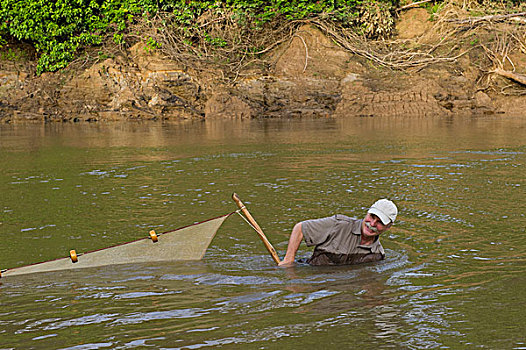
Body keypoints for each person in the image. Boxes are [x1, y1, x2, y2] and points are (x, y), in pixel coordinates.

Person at [278, 199, 398, 266]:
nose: (372, 224)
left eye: (380, 222)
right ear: (367, 212)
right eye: (372, 217)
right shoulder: (338, 224)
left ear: (388, 227)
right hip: (307, 270)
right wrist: (289, 260)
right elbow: (300, 228)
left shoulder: (378, 255)